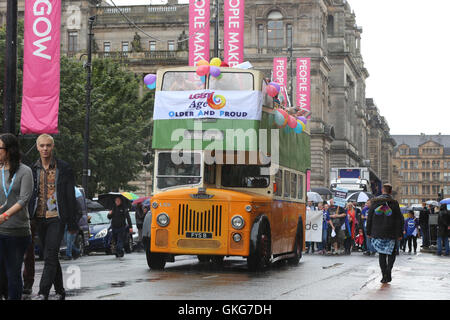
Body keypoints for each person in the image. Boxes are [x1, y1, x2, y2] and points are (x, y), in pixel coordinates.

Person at [28, 134, 80, 300]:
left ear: (53, 146)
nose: (45, 149)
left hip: (57, 217)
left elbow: (70, 196)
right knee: (49, 254)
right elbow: (29, 195)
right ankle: (60, 291)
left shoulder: (64, 168)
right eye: (42, 145)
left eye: (48, 145)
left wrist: (72, 223)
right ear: (37, 147)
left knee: (50, 254)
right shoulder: (32, 169)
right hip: (39, 217)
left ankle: (43, 292)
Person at [0, 133, 34, 300]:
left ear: (9, 150)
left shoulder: (25, 171)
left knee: (13, 274)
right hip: (0, 230)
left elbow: (24, 199)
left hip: (17, 232)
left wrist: (5, 214)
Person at [366, 183, 404, 284]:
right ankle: (388, 271)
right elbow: (399, 219)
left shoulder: (375, 202)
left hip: (378, 232)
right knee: (391, 253)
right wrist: (400, 233)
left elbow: (369, 218)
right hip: (391, 232)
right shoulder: (394, 203)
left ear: (382, 190)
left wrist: (368, 232)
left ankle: (384, 276)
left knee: (382, 254)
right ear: (390, 192)